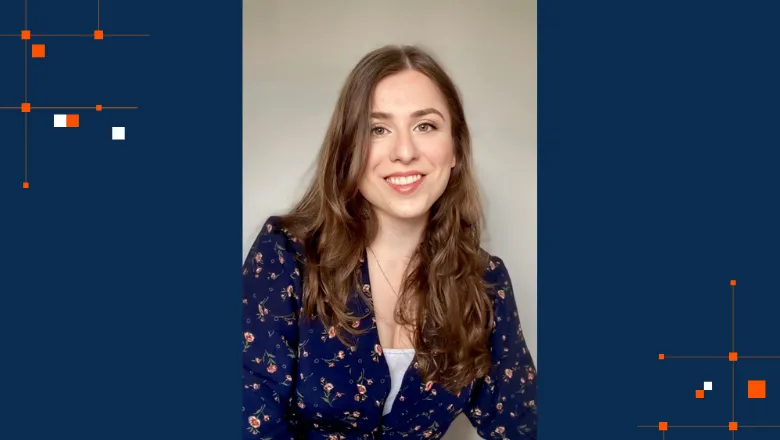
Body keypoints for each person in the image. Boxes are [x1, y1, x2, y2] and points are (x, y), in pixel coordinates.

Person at [242, 44, 537, 440]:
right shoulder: (286, 255)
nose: (404, 152)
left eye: (426, 126)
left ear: (455, 150)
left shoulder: (485, 282)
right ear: (349, 150)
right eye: (377, 129)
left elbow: (524, 422)